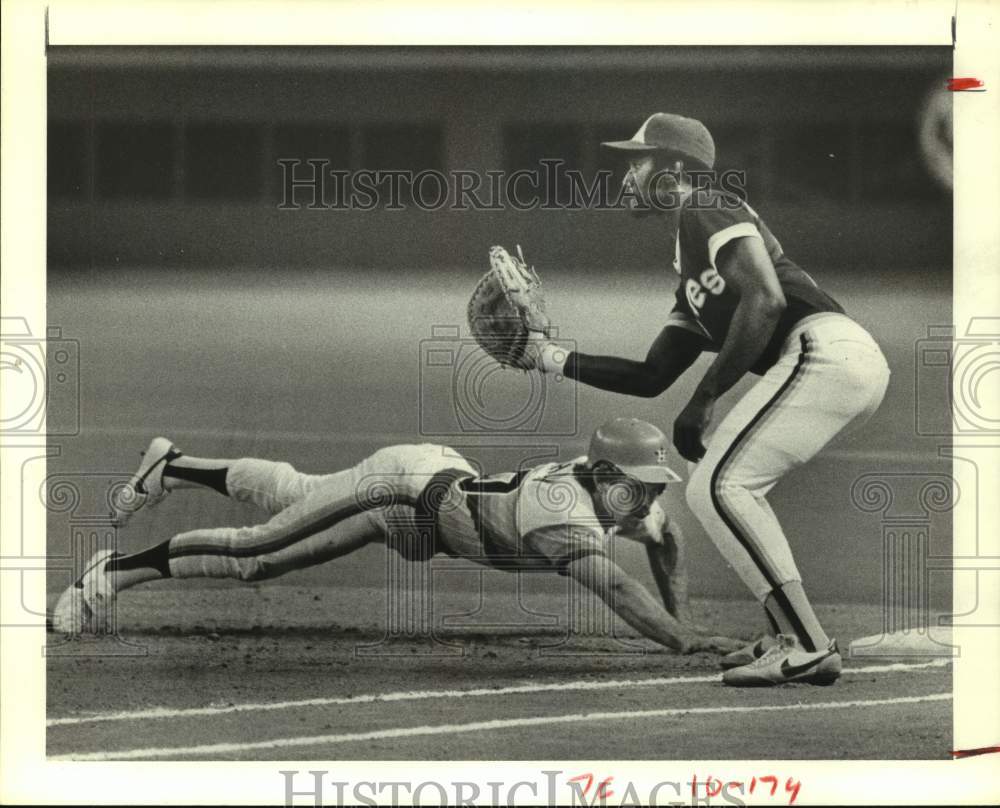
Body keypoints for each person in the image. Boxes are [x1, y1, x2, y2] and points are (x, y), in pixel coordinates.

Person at [527, 113, 891, 686]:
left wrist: (706, 399)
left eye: (637, 161)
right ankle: (787, 634)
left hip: (827, 351)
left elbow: (766, 300)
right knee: (723, 489)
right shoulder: (693, 274)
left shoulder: (707, 202)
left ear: (674, 168)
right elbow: (651, 375)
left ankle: (809, 644)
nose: (626, 175)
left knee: (721, 486)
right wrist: (543, 355)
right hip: (835, 363)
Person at [51, 417, 742, 656]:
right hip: (405, 490)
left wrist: (681, 615)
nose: (650, 496)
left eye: (654, 485)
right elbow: (617, 586)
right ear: (599, 472)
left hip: (430, 504)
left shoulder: (615, 497)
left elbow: (667, 538)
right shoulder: (566, 511)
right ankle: (110, 572)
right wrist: (684, 639)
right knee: (259, 554)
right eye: (641, 483)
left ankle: (172, 465)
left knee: (295, 493)